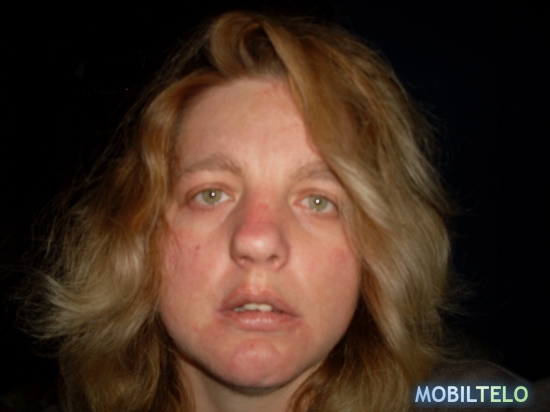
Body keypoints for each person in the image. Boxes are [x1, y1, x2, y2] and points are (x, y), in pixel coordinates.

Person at [25, 10, 548, 412]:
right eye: (211, 194)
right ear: (139, 237)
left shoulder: (476, 398)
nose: (258, 240)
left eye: (319, 201)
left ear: (378, 250)